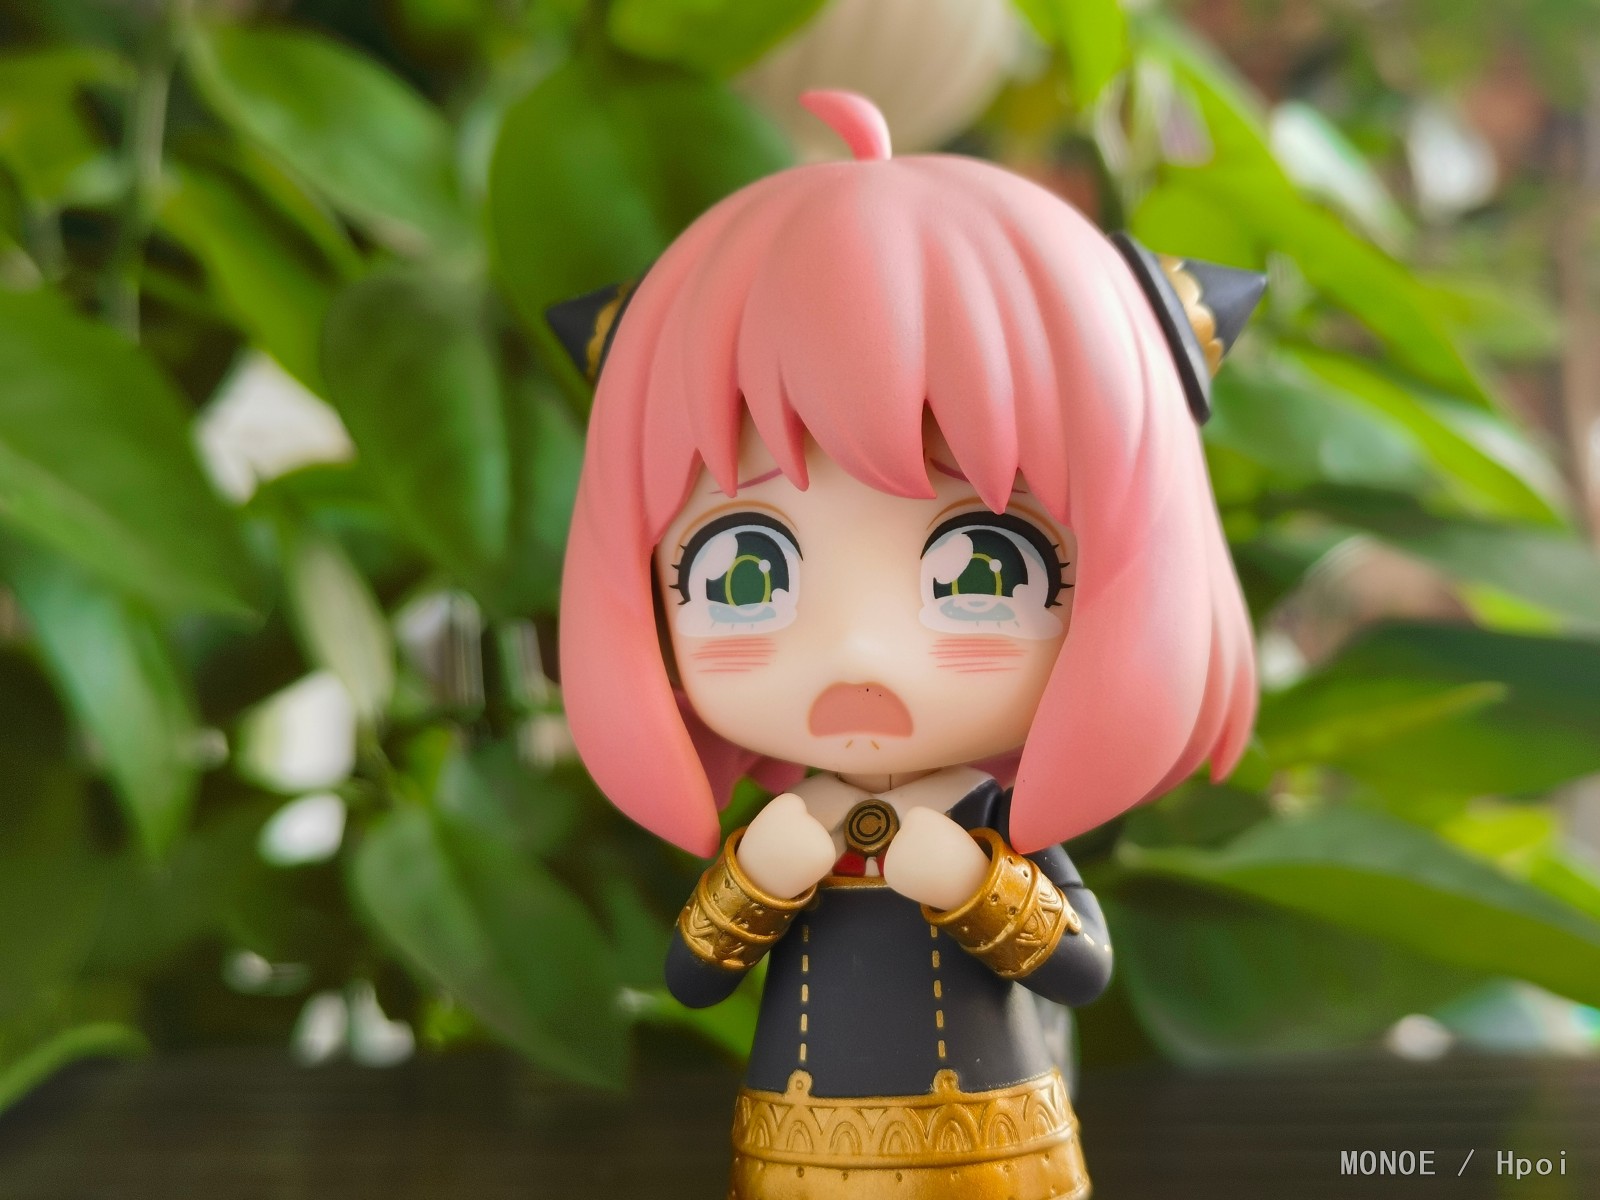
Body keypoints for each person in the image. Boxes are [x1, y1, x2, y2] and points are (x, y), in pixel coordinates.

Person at [550, 88, 1263, 1200]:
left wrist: (979, 888)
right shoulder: (791, 831)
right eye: (744, 572)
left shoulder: (986, 827)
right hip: (797, 1160)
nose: (858, 648)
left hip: (996, 1157)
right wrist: (752, 882)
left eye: (985, 568)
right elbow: (691, 974)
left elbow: (1080, 967)